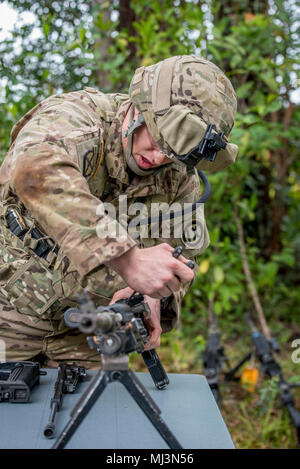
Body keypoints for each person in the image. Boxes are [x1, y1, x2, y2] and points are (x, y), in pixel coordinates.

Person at [0, 55, 238, 367]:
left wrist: (153, 296)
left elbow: (180, 256)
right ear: (140, 107)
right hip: (9, 312)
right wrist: (129, 259)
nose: (159, 157)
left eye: (174, 152)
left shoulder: (182, 181)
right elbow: (32, 169)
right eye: (157, 139)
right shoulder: (78, 118)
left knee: (93, 414)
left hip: (88, 332)